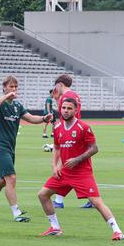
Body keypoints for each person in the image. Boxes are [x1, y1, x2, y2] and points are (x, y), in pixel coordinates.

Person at [35, 96, 124, 241]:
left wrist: (77, 159)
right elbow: (57, 148)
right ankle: (55, 228)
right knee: (42, 195)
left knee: (96, 201)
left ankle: (117, 231)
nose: (65, 111)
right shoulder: (57, 127)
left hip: (82, 173)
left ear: (76, 110)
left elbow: (94, 148)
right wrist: (55, 166)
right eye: (63, 108)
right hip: (64, 172)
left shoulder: (83, 127)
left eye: (69, 108)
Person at [0, 76, 52, 222]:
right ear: (4, 88)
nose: (13, 89)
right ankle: (16, 213)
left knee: (1, 181)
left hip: (10, 147)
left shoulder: (17, 106)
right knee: (11, 178)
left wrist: (44, 118)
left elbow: (31, 118)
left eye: (15, 87)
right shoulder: (0, 104)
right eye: (11, 87)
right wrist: (6, 96)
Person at [50, 74, 82, 208]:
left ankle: (58, 200)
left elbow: (64, 117)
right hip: (78, 131)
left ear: (60, 84)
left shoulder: (64, 97)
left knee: (64, 166)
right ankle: (90, 198)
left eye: (56, 85)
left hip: (69, 133)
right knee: (77, 168)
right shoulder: (76, 95)